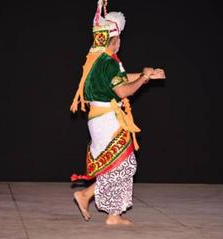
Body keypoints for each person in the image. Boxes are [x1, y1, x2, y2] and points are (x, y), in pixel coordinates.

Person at [70, 0, 165, 225]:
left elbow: (117, 82)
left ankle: (112, 213)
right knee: (124, 163)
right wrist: (143, 78)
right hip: (106, 119)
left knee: (119, 164)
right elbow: (123, 91)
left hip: (100, 118)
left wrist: (146, 76)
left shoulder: (97, 59)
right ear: (116, 39)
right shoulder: (108, 63)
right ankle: (93, 200)